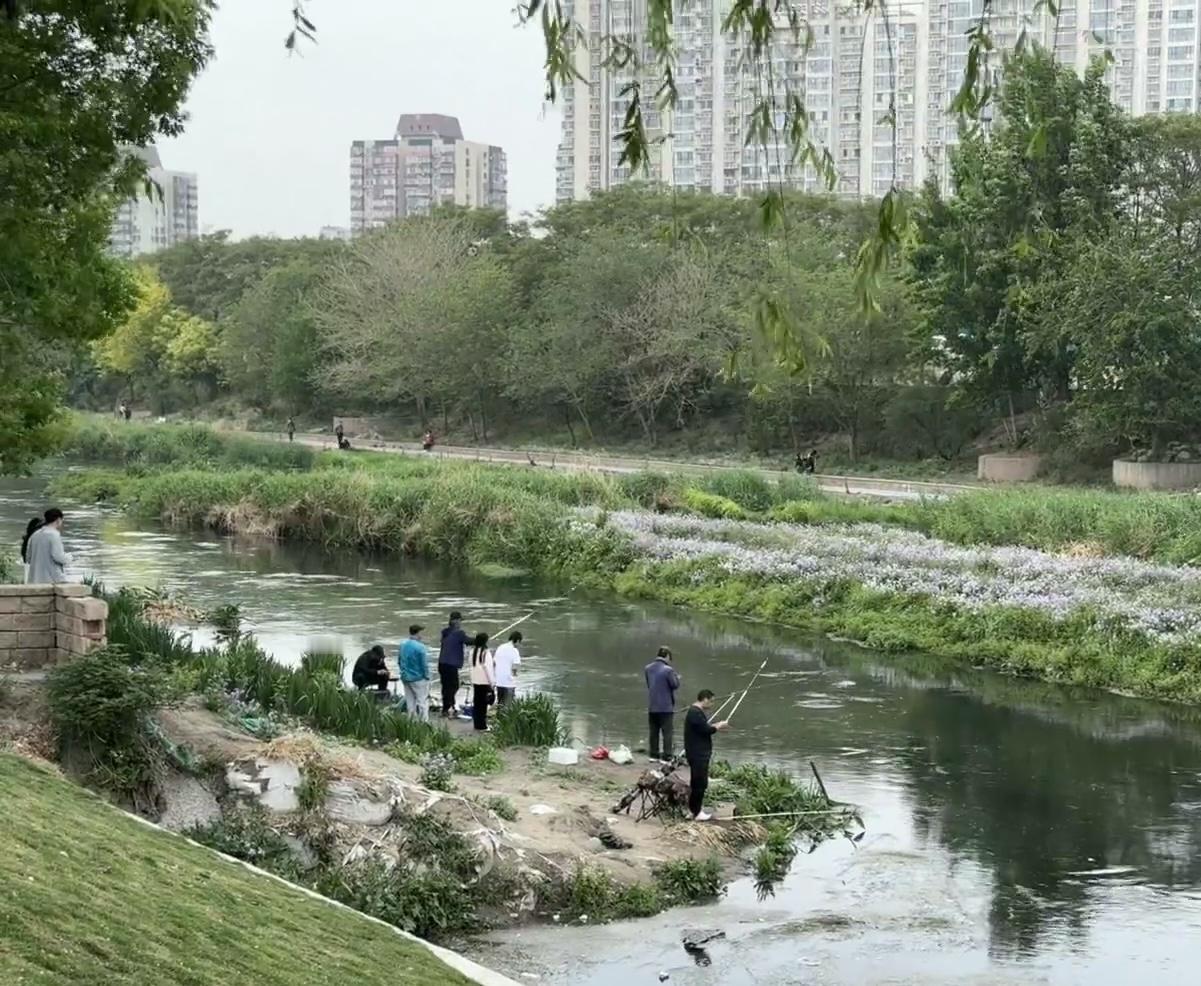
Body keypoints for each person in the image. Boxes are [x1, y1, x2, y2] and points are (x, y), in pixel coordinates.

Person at [683, 689, 729, 822]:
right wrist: (719, 726)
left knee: (696, 782)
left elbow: (702, 728)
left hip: (696, 753)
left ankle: (692, 810)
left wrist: (716, 726)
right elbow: (706, 730)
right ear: (705, 699)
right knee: (700, 783)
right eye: (711, 701)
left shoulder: (695, 712)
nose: (712, 704)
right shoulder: (695, 713)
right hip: (698, 754)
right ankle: (697, 813)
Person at [644, 646, 680, 763]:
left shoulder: (648, 668)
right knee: (667, 732)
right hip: (665, 707)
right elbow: (675, 685)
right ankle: (666, 756)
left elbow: (650, 684)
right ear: (668, 656)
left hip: (652, 705)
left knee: (653, 731)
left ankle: (653, 755)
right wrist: (677, 677)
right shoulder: (668, 670)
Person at [25, 508, 70, 584]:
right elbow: (58, 556)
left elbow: (28, 558)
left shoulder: (34, 535)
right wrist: (69, 558)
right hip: (51, 580)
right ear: (58, 520)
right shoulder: (54, 535)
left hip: (34, 580)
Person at [438, 611, 468, 717]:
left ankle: (446, 708)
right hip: (450, 665)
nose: (460, 623)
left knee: (445, 686)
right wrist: (481, 640)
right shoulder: (459, 633)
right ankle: (450, 707)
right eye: (459, 620)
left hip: (442, 663)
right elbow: (468, 641)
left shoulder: (445, 632)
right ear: (455, 621)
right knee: (453, 686)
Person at [399, 625, 431, 722]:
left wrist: (403, 672)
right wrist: (427, 676)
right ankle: (424, 723)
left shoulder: (403, 645)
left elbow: (399, 661)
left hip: (405, 677)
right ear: (418, 633)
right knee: (422, 701)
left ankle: (411, 722)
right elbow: (424, 664)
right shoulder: (420, 647)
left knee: (410, 702)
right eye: (421, 633)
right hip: (418, 678)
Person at [468, 632, 495, 732]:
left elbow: (470, 666)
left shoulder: (472, 651)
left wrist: (472, 679)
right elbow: (488, 668)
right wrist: (492, 683)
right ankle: (482, 726)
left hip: (475, 681)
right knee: (483, 705)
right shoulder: (486, 652)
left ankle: (477, 724)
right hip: (484, 681)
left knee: (477, 703)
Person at [493, 631, 523, 705]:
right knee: (508, 706)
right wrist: (515, 675)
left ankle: (499, 715)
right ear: (518, 640)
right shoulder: (514, 650)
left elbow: (494, 663)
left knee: (500, 703)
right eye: (520, 642)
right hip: (509, 683)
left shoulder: (500, 647)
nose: (519, 645)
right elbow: (515, 667)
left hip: (499, 681)